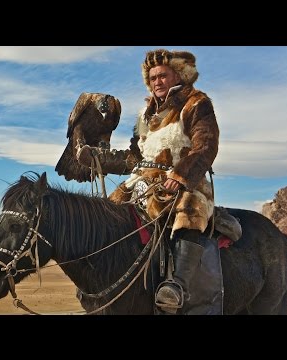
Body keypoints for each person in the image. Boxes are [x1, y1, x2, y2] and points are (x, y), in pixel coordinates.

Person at [76, 49, 220, 314]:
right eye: (152, 77)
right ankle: (101, 278)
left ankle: (176, 286)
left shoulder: (196, 103)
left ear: (179, 75)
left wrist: (180, 176)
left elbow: (205, 146)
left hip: (185, 180)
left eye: (163, 75)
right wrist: (97, 158)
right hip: (143, 182)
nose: (157, 82)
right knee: (107, 214)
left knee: (188, 212)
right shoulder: (145, 115)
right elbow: (133, 158)